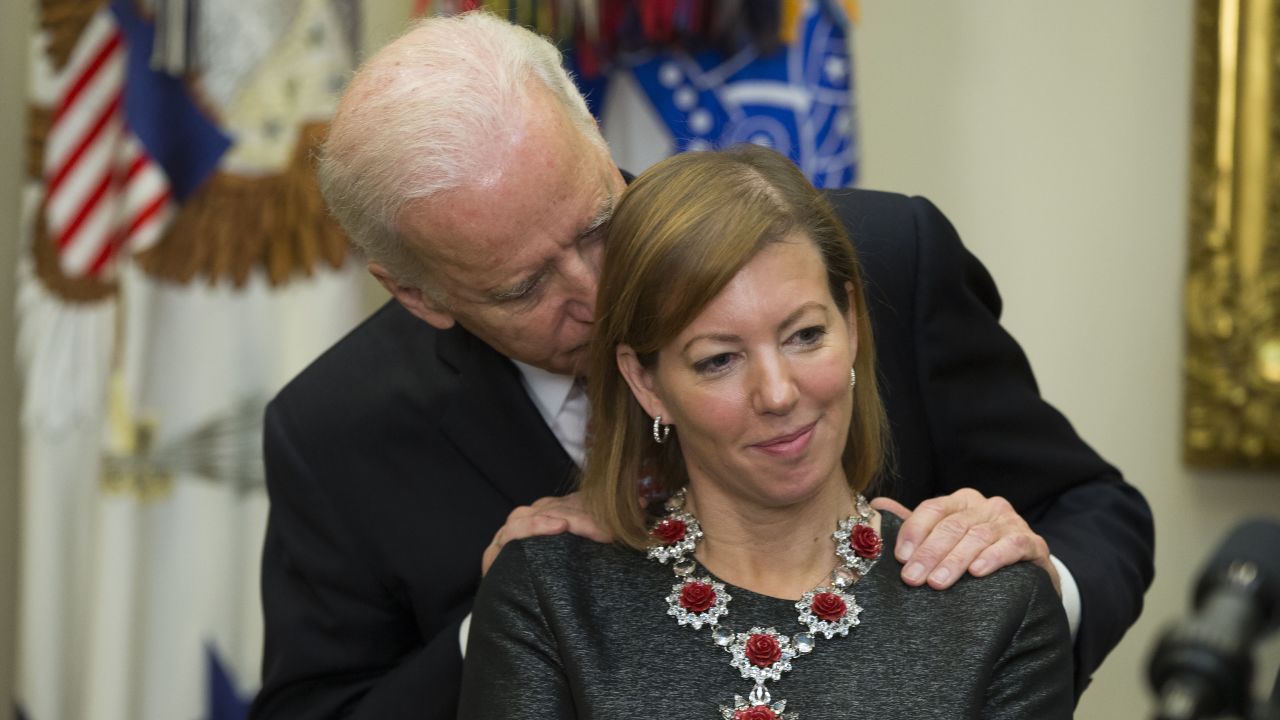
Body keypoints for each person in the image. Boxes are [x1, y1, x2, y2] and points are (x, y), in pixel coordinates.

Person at [251, 11, 1152, 719]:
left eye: (598, 224)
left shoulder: (881, 259)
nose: (598, 292)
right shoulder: (336, 430)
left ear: (597, 142)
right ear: (420, 296)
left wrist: (1017, 605)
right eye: (526, 287)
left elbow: (1095, 510)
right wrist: (496, 633)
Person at [459, 144, 1074, 718]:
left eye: (806, 335)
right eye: (718, 360)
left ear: (852, 324)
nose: (778, 394)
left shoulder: (996, 606)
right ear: (646, 384)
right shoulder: (548, 597)